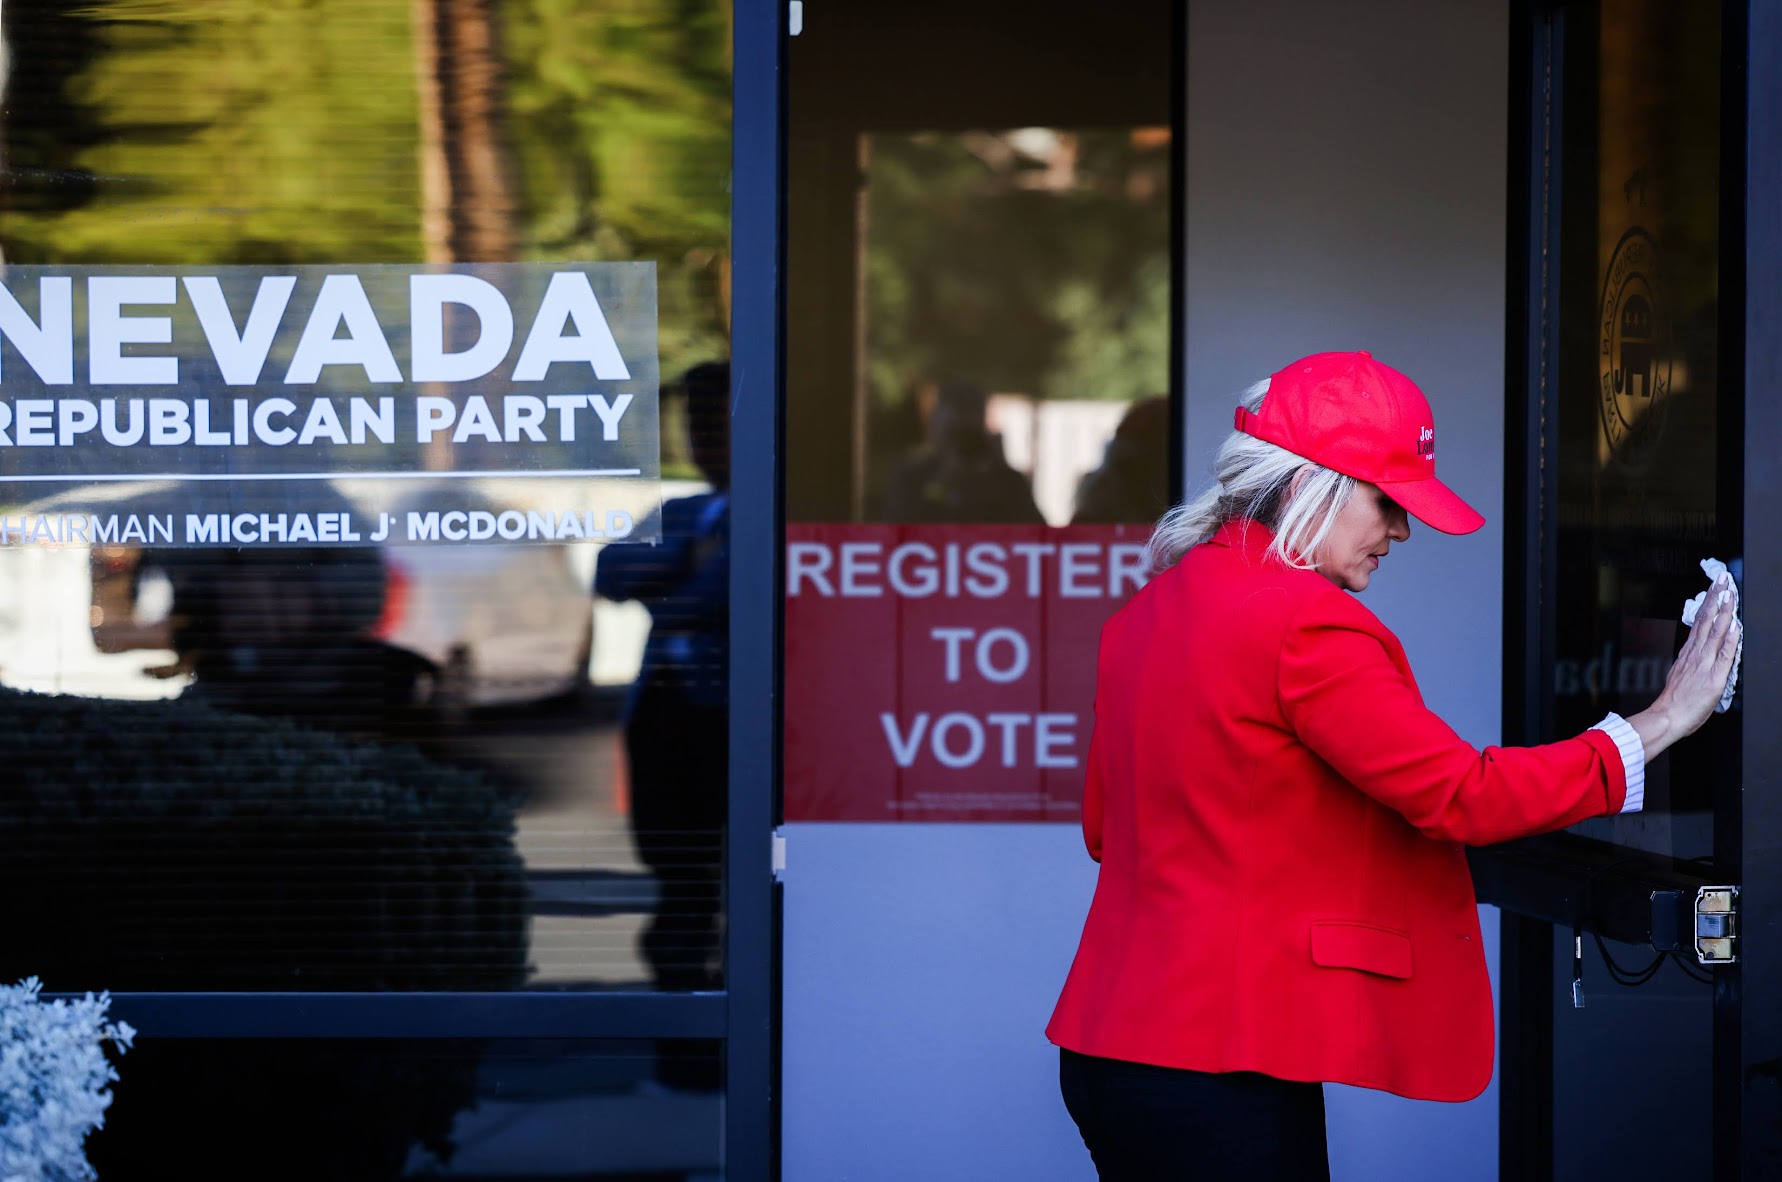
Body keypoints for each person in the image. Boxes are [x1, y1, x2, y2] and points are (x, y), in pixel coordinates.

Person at [1045, 350, 1741, 1180]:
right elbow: (1463, 795)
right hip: (1220, 1065)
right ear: (1311, 486)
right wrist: (1663, 721)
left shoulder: (1149, 613)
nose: (1402, 531)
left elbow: (1104, 830)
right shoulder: (1305, 623)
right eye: (1387, 502)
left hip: (1108, 1050)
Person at [595, 361, 730, 1017]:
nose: (700, 443)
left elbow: (713, 600)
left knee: (733, 890)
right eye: (692, 428)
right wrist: (681, 566)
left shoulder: (771, 518)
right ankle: (679, 1045)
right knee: (677, 878)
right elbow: (609, 571)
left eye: (713, 425)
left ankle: (722, 1043)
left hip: (729, 723)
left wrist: (667, 590)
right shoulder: (686, 512)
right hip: (662, 713)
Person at [877, 379, 1044, 523]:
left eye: (968, 432)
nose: (962, 443)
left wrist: (995, 484)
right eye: (954, 432)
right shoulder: (912, 478)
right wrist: (940, 487)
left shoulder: (1007, 482)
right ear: (935, 427)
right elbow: (897, 533)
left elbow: (1037, 538)